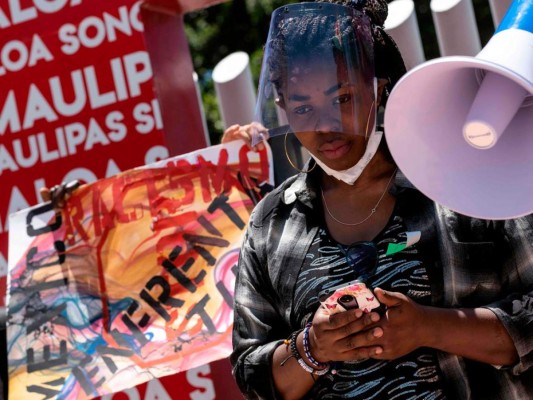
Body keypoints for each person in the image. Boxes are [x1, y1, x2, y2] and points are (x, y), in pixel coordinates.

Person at [230, 1, 533, 399]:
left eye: (343, 99)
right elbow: (251, 375)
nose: (326, 126)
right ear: (282, 106)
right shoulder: (271, 223)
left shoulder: (459, 175)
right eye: (303, 107)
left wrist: (430, 326)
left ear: (378, 86)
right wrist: (311, 348)